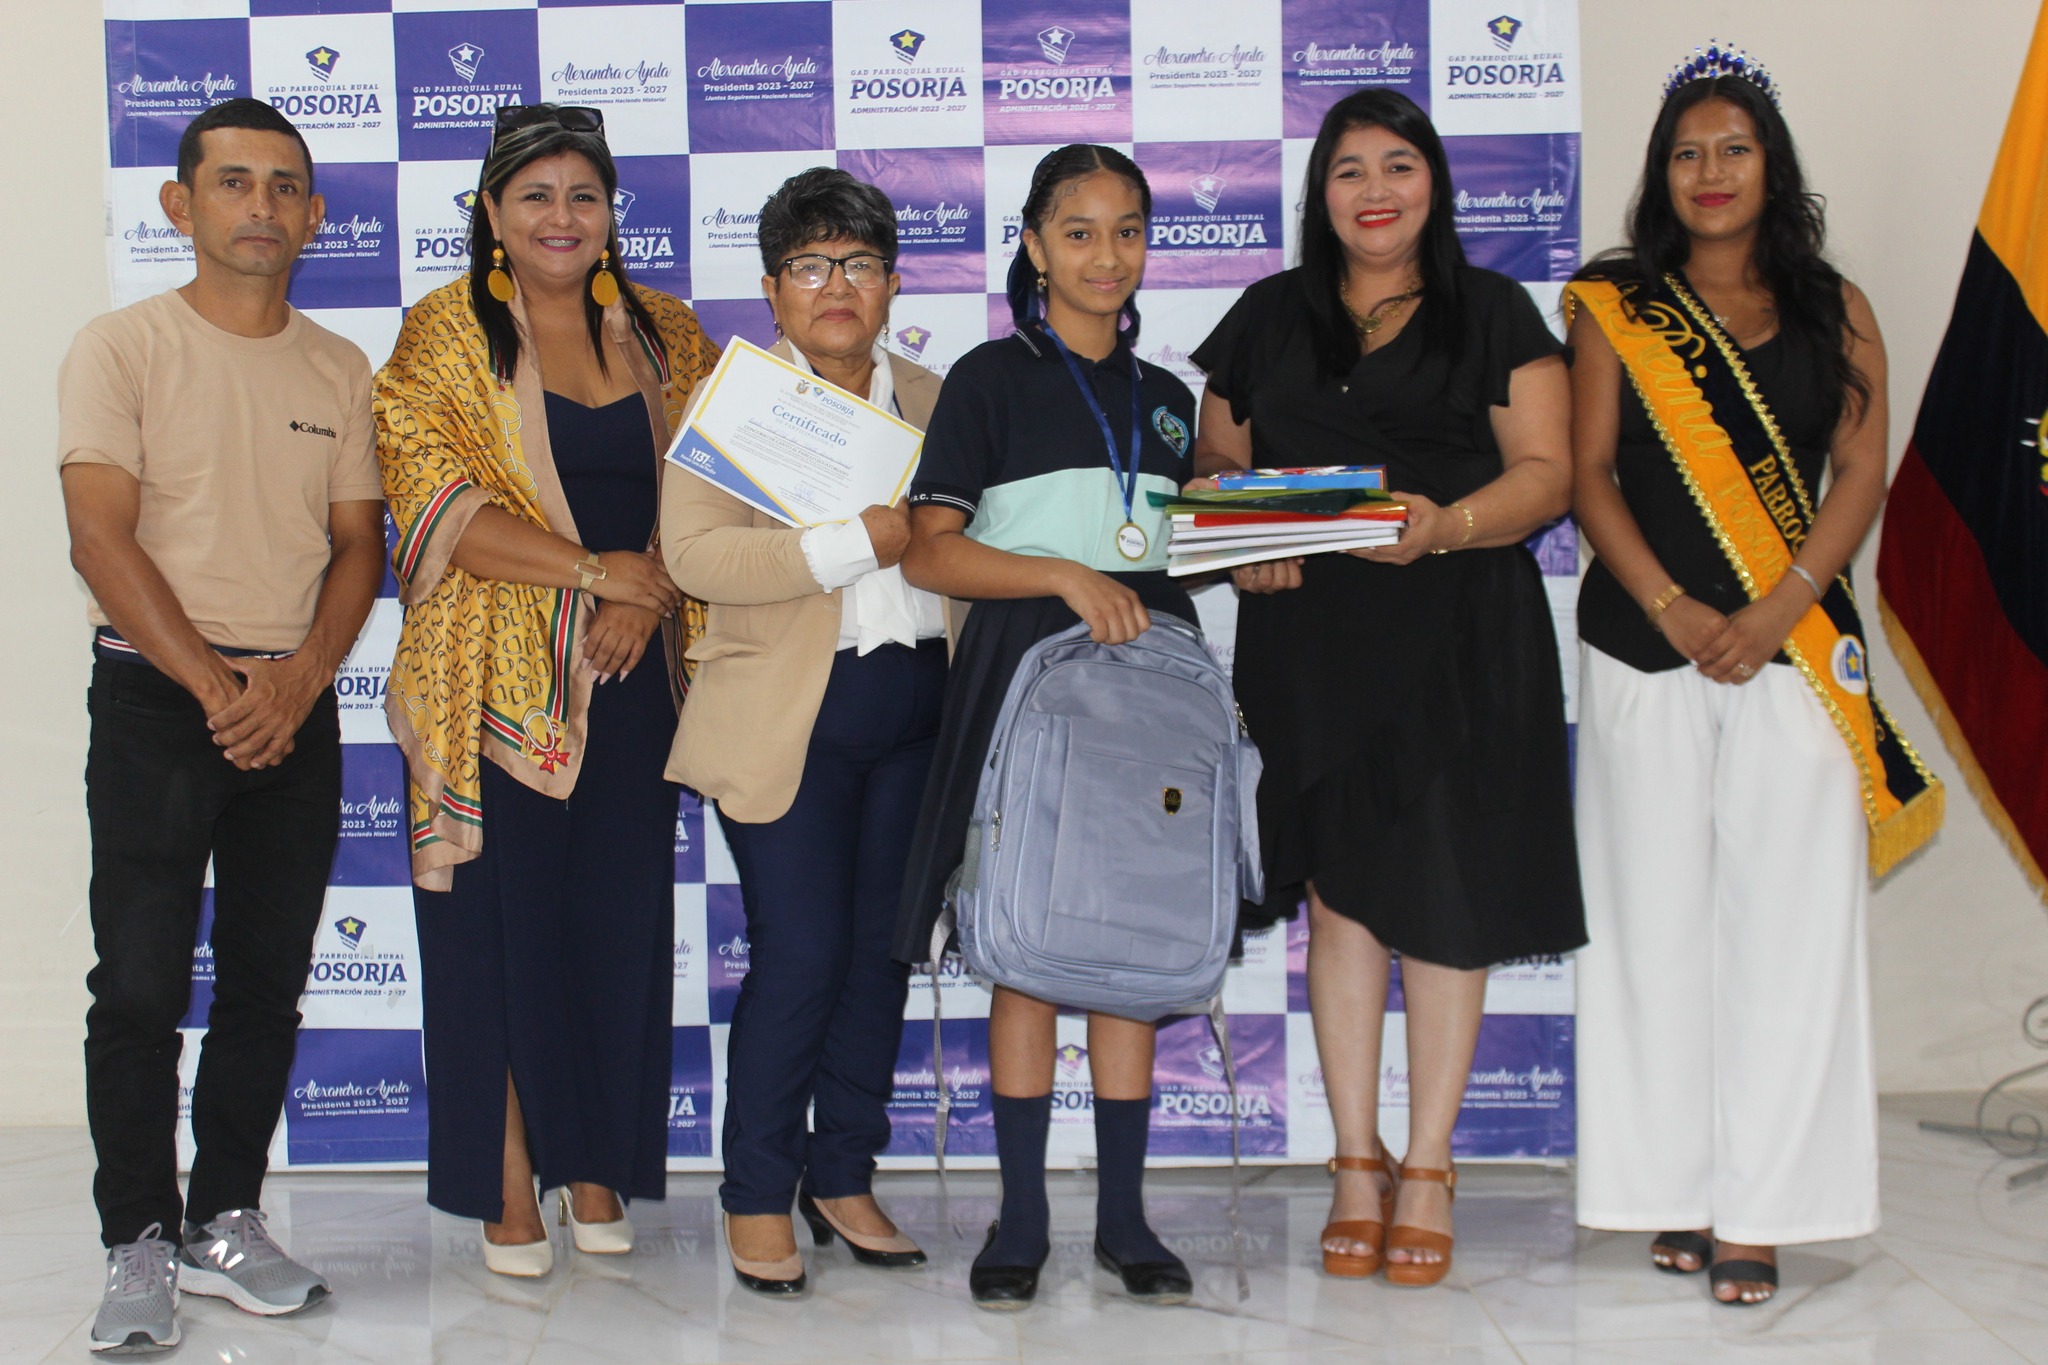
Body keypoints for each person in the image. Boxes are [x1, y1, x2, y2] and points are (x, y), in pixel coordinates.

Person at [1188, 89, 1585, 1288]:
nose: (1374, 190)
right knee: (1343, 902)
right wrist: (1241, 533)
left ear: (1433, 182)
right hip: (1309, 641)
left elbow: (1547, 473)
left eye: (1397, 165)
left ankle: (1427, 1165)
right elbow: (1213, 457)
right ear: (1319, 192)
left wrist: (1446, 523)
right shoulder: (1268, 313)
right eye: (1349, 169)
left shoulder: (1492, 309)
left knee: (1447, 896)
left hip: (1459, 636)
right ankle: (1354, 1163)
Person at [1567, 52, 1939, 1306]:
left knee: (1788, 934)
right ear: (1659, 175)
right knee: (1650, 929)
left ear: (1769, 166)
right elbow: (1587, 473)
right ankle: (1668, 1191)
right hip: (1642, 650)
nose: (1708, 171)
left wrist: (1778, 607)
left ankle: (1767, 1210)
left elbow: (1860, 471)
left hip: (1794, 658)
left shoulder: (1835, 306)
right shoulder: (1616, 305)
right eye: (1685, 153)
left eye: (1731, 149)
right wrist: (1670, 608)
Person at [59, 99, 385, 1353]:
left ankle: (225, 1219)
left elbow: (357, 545)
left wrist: (297, 681)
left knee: (264, 982)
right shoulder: (122, 347)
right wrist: (216, 686)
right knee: (139, 985)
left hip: (291, 704)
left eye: (285, 186)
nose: (263, 205)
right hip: (158, 699)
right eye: (236, 182)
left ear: (314, 214)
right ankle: (138, 1239)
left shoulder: (338, 366)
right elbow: (100, 538)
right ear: (180, 204)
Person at [375, 103, 718, 1278]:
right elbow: (436, 507)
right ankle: (509, 1177)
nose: (560, 217)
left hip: (636, 677)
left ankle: (594, 1163)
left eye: (583, 195)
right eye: (534, 196)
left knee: (615, 930)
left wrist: (647, 588)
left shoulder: (667, 332)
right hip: (494, 687)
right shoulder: (442, 334)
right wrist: (593, 573)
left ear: (611, 211)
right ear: (491, 212)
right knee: (499, 937)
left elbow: (721, 490)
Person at [894, 145, 1200, 1312]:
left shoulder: (1167, 401)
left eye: (1126, 230)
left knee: (1130, 942)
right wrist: (1064, 577)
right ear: (1032, 246)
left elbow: (1176, 554)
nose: (1104, 256)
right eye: (1077, 232)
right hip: (1023, 688)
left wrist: (1268, 544)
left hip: (1148, 695)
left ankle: (1122, 1218)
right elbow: (931, 553)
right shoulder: (987, 380)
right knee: (1021, 944)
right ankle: (1019, 1216)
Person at [662, 167, 947, 1295]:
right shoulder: (737, 402)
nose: (837, 286)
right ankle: (755, 1191)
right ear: (774, 288)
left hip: (918, 714)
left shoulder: (934, 397)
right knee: (802, 954)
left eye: (860, 263)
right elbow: (694, 555)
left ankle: (842, 1176)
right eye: (811, 265)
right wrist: (850, 543)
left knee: (882, 955)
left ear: (891, 284)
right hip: (789, 717)